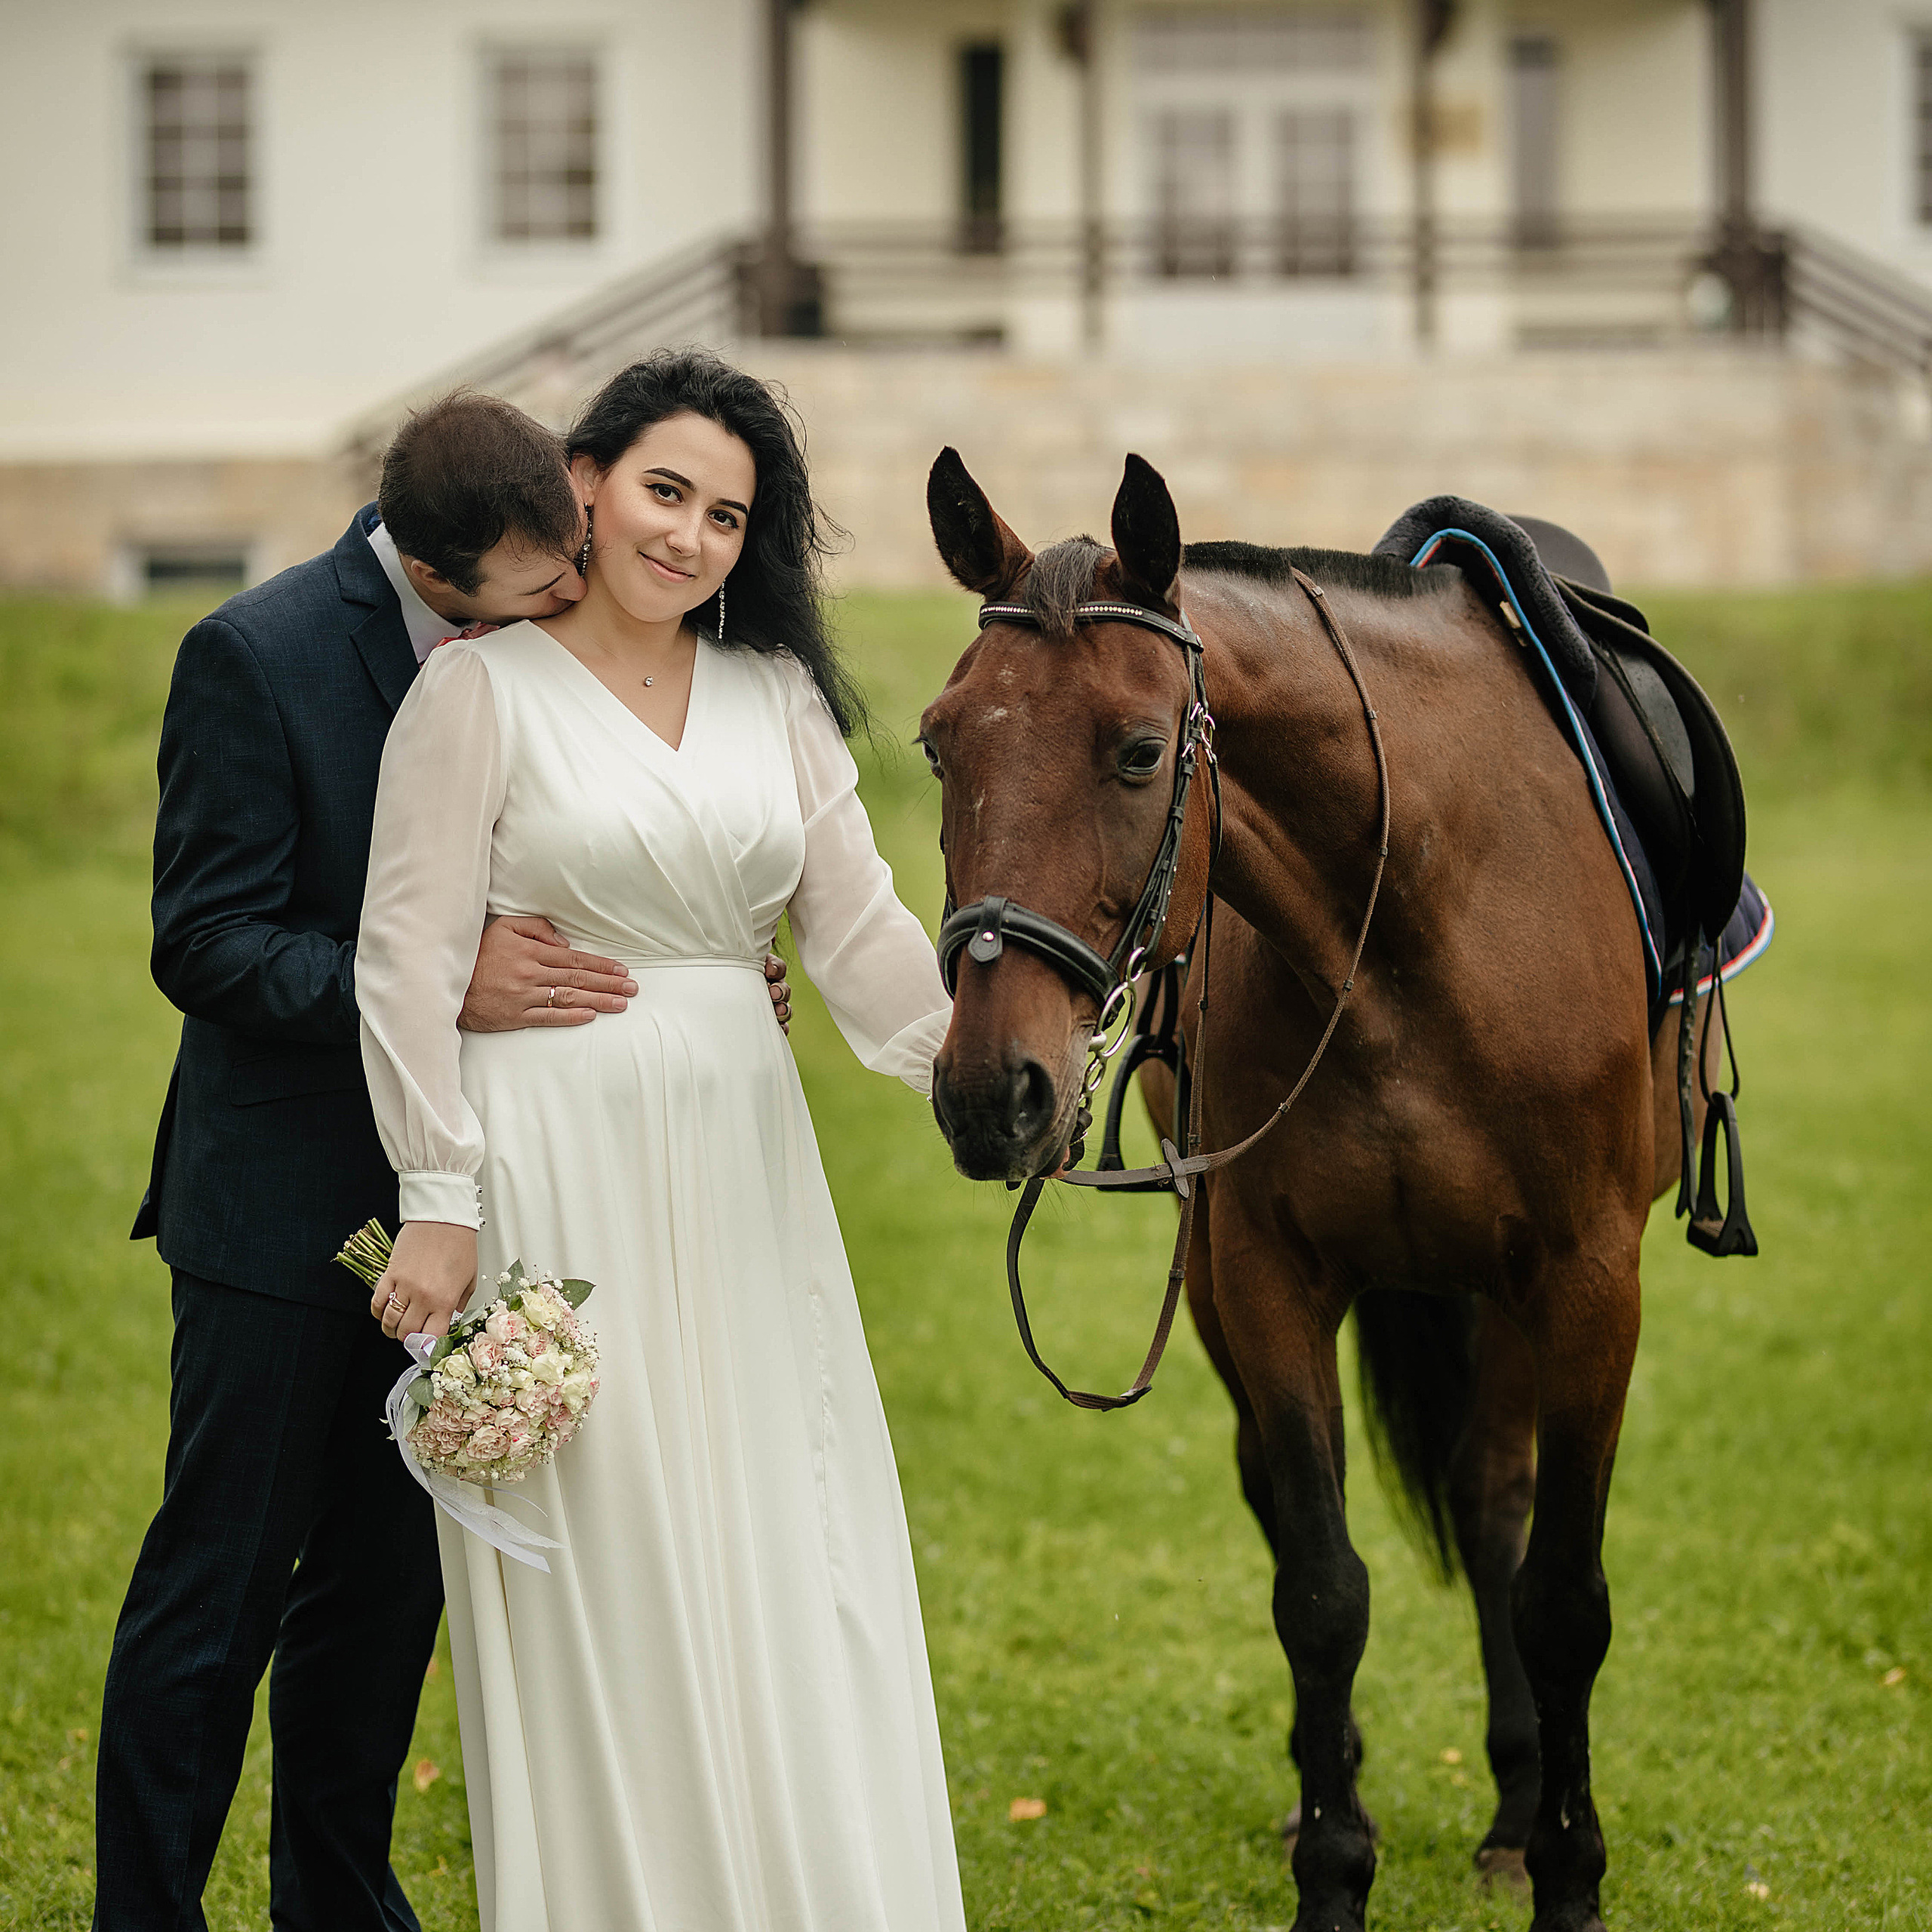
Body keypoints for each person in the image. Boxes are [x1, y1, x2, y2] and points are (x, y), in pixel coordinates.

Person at [95, 391, 792, 1932]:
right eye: (537, 581)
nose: (571, 590)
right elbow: (203, 940)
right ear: (436, 564)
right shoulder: (256, 655)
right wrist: (426, 976)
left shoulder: (548, 644)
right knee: (219, 1595)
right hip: (285, 1209)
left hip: (499, 1200)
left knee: (384, 1600)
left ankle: (337, 1903)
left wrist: (702, 970)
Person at [355, 348, 966, 1930]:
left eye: (727, 513)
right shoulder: (472, 688)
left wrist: (979, 1076)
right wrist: (438, 1197)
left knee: (784, 1520)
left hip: (744, 1150)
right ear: (589, 483)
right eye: (665, 490)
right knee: (614, 1549)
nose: (689, 534)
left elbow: (860, 931)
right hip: (553, 1151)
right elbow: (405, 956)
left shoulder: (775, 697)